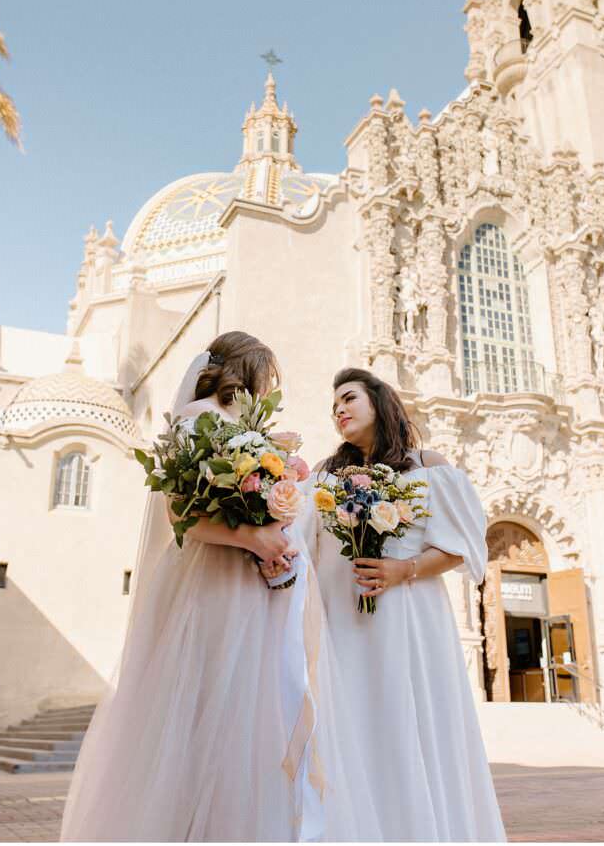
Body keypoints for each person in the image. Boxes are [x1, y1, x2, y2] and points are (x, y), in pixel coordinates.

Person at [61, 334, 380, 843]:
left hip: (255, 589)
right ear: (246, 370)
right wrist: (253, 535)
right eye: (266, 377)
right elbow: (180, 514)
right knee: (212, 707)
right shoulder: (194, 417)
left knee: (257, 713)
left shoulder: (244, 428)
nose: (268, 389)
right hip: (214, 585)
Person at [302, 367, 507, 843]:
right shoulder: (324, 475)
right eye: (334, 404)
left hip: (408, 622)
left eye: (349, 398)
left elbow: (462, 546)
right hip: (344, 624)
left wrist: (403, 570)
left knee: (407, 726)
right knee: (353, 725)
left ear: (378, 401)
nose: (339, 409)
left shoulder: (425, 465)